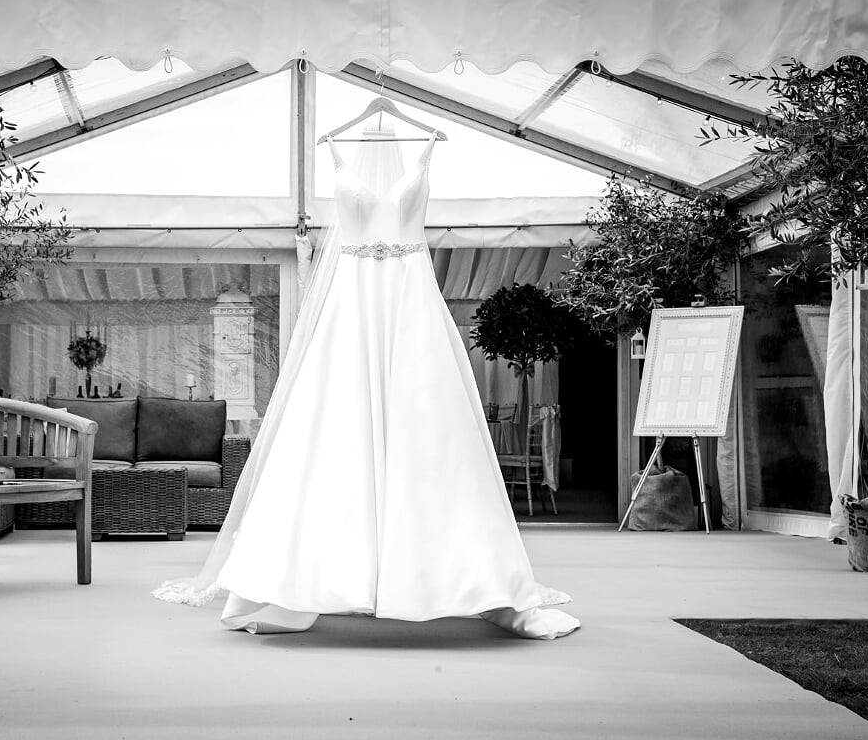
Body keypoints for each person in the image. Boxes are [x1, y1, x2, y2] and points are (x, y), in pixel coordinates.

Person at [155, 124, 578, 640]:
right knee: (336, 436)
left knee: (429, 437)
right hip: (353, 309)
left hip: (411, 305)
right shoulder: (334, 149)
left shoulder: (425, 149)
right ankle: (318, 579)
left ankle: (455, 577)